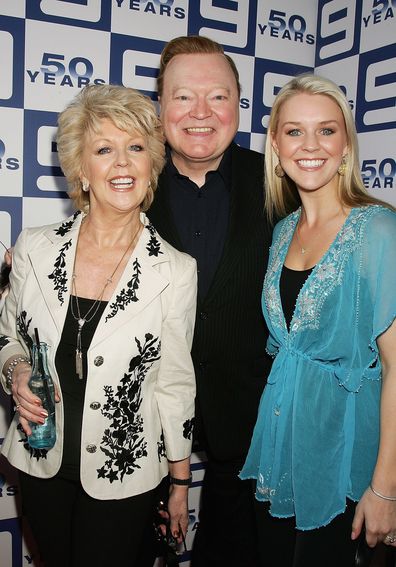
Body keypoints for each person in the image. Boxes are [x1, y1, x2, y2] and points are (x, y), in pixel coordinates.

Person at [0, 84, 197, 567]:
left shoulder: (175, 269)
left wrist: (179, 482)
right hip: (41, 459)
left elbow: (174, 383)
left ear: (152, 166)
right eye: (104, 150)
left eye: (136, 149)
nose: (123, 163)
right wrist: (16, 372)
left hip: (125, 472)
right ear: (81, 170)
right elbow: (7, 337)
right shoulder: (34, 247)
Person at [240, 73, 396, 566]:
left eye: (326, 130)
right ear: (276, 147)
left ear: (346, 145)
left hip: (348, 455)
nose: (310, 145)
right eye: (294, 132)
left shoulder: (379, 230)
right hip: (283, 448)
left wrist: (385, 489)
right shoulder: (284, 230)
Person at [147, 35, 272, 567]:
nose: (201, 112)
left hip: (248, 420)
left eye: (217, 96)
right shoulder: (129, 180)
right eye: (183, 97)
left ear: (238, 105)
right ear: (160, 107)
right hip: (142, 417)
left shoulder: (280, 179)